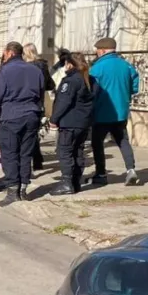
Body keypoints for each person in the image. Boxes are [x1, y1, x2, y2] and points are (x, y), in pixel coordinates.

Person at [0, 41, 45, 206]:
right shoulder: (35, 69)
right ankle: (23, 189)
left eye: (4, 53)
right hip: (32, 114)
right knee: (26, 153)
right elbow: (41, 93)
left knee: (10, 153)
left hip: (12, 115)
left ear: (10, 53)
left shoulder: (6, 70)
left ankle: (13, 189)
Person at [89, 37, 140, 186]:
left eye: (97, 51)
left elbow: (93, 91)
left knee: (97, 143)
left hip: (101, 113)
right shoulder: (127, 66)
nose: (96, 54)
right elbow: (135, 88)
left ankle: (101, 174)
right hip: (121, 112)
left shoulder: (97, 68)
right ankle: (131, 170)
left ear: (103, 50)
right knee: (123, 141)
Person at [49, 53, 98, 196]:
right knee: (78, 151)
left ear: (70, 64)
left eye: (65, 63)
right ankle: (75, 182)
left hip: (69, 122)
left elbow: (64, 102)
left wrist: (54, 119)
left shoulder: (70, 81)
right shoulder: (89, 79)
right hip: (83, 123)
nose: (64, 66)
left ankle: (66, 182)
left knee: (65, 152)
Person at [23, 43, 55, 170]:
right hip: (39, 103)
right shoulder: (42, 65)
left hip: (27, 102)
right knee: (33, 132)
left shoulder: (25, 68)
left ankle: (36, 160)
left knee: (28, 133)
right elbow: (50, 85)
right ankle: (37, 159)